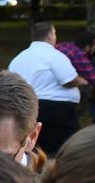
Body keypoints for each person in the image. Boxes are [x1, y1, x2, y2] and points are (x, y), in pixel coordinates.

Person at [8, 20, 85, 154]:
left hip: (27, 107)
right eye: (54, 33)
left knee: (34, 148)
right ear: (50, 35)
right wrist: (81, 81)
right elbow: (68, 80)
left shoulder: (18, 58)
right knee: (63, 150)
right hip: (58, 111)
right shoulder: (54, 55)